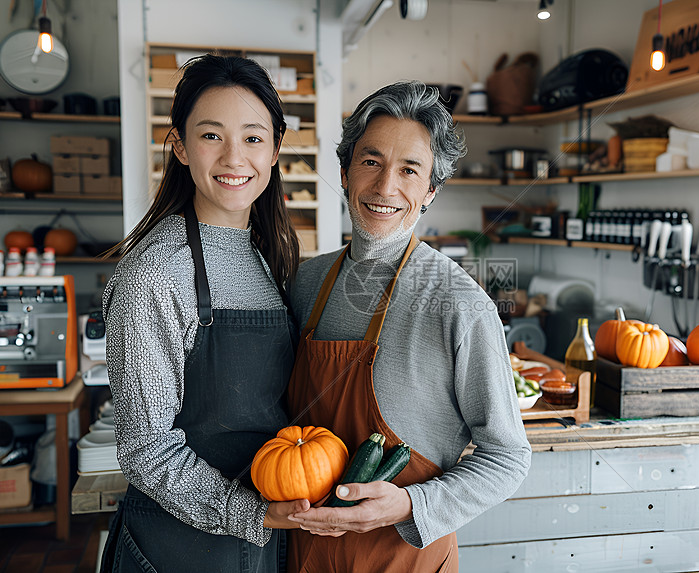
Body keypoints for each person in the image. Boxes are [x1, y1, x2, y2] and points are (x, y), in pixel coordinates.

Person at [286, 80, 532, 572]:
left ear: (429, 193)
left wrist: (411, 506)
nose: (384, 187)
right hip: (305, 553)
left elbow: (507, 458)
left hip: (402, 557)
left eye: (409, 170)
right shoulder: (306, 282)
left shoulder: (461, 304)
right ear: (345, 171)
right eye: (371, 162)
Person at [99, 54, 309, 573]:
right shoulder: (154, 272)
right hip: (178, 547)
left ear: (277, 149)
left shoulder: (269, 256)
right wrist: (255, 513)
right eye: (212, 135)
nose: (235, 157)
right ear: (180, 147)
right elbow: (146, 448)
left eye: (254, 138)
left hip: (265, 539)